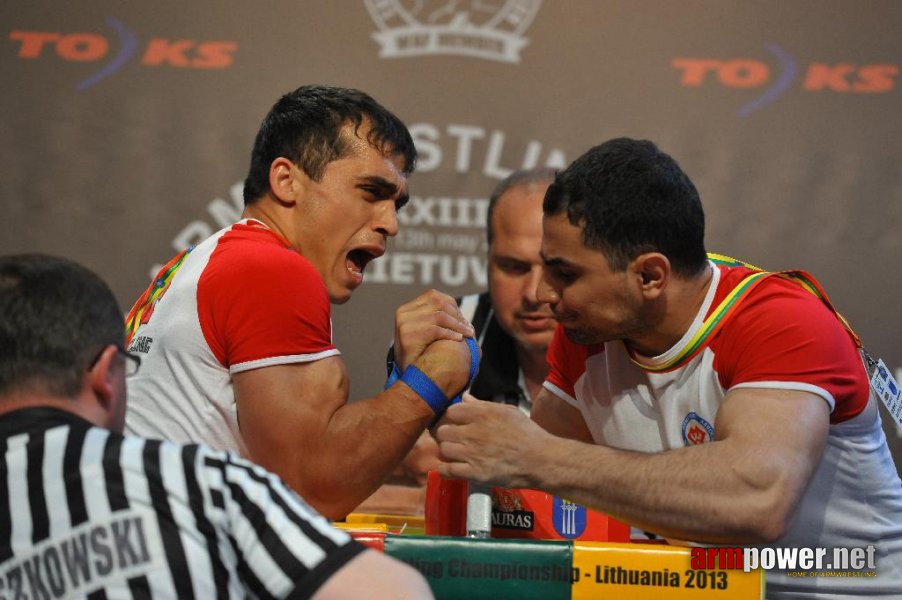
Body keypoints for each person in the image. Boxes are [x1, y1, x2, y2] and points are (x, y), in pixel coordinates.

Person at [435, 138, 902, 598]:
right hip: (701, 589)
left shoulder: (781, 321)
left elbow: (757, 501)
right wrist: (433, 395)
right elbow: (530, 482)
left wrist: (534, 456)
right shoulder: (589, 331)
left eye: (565, 274)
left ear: (650, 276)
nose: (543, 293)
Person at [124, 85, 476, 520]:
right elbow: (311, 491)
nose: (390, 224)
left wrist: (400, 386)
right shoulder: (269, 268)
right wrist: (432, 379)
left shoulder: (204, 262)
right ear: (287, 181)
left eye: (396, 204)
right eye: (371, 192)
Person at [0, 253, 434, 599]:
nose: (388, 224)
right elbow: (395, 592)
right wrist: (427, 384)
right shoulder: (200, 482)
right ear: (106, 375)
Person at [354, 168, 558, 515]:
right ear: (488, 259)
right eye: (513, 267)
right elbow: (384, 466)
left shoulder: (622, 343)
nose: (534, 293)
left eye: (555, 268)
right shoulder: (448, 333)